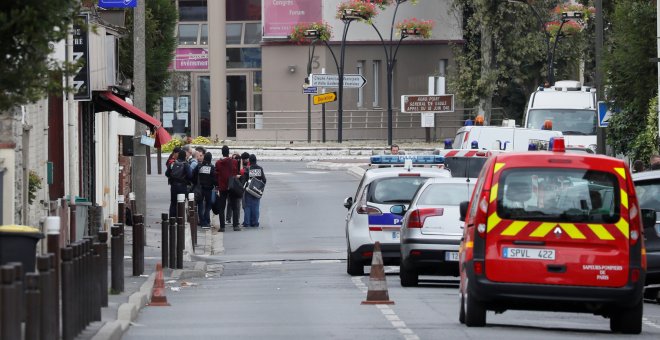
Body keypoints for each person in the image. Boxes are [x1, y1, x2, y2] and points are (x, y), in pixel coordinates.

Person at [215, 145, 241, 232]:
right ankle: (235, 225)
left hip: (222, 187)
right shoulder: (233, 162)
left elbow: (216, 174)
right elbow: (237, 172)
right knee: (234, 206)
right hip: (232, 186)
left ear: (222, 152)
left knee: (221, 207)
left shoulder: (218, 162)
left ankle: (222, 227)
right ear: (228, 152)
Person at [241, 154, 266, 228]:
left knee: (248, 206)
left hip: (249, 190)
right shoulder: (260, 169)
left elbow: (244, 180)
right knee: (256, 206)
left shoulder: (248, 169)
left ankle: (247, 222)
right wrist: (260, 187)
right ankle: (255, 222)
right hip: (257, 190)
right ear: (256, 160)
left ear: (250, 161)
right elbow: (264, 180)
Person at [192, 152, 216, 229]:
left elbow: (193, 175)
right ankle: (206, 220)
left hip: (200, 188)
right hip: (208, 189)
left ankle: (202, 222)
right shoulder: (212, 167)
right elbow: (214, 178)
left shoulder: (199, 166)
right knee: (208, 205)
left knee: (200, 205)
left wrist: (196, 183)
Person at [165, 150, 192, 218]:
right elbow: (190, 175)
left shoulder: (173, 163)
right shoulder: (186, 164)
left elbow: (167, 173)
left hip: (173, 186)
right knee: (181, 203)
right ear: (185, 156)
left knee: (173, 203)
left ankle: (172, 219)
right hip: (182, 186)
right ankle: (180, 220)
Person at [226, 152, 243, 225]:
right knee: (230, 203)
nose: (235, 160)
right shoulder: (230, 166)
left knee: (237, 203)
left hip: (237, 187)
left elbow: (242, 173)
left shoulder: (240, 168)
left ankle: (236, 220)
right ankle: (228, 219)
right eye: (233, 158)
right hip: (231, 186)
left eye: (237, 159)